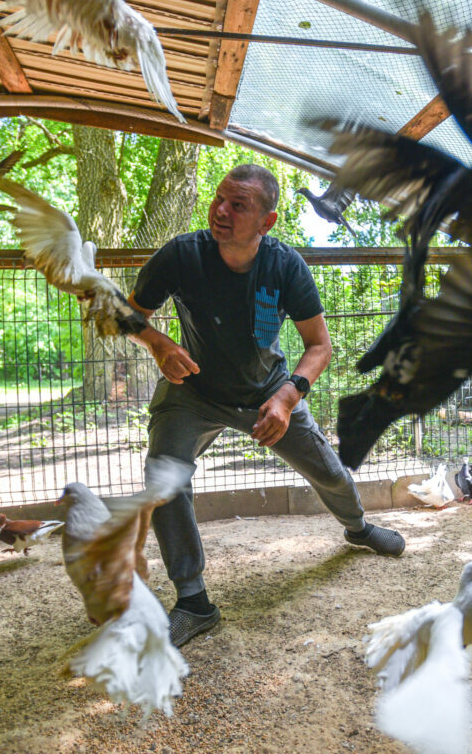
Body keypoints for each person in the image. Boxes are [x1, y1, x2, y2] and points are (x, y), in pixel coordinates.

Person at [127, 164, 406, 647]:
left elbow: (319, 346)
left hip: (270, 392)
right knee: (163, 475)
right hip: (194, 390)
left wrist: (287, 396)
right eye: (219, 198)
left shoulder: (285, 265)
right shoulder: (181, 254)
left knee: (329, 472)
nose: (221, 210)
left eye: (238, 205)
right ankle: (193, 602)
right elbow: (128, 314)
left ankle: (358, 528)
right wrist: (158, 344)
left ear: (266, 221)